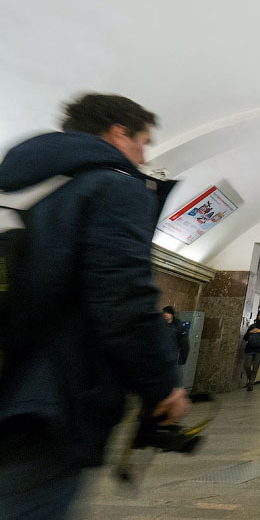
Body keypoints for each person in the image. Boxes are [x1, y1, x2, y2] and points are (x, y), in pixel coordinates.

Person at [0, 93, 190, 516]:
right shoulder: (113, 185)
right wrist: (162, 385)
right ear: (119, 132)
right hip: (44, 395)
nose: (144, 155)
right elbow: (124, 296)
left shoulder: (22, 180)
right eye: (144, 141)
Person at [242, 309, 260, 391]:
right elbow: (245, 338)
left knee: (255, 366)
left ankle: (250, 383)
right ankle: (251, 378)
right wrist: (251, 332)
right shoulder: (252, 326)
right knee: (247, 365)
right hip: (250, 348)